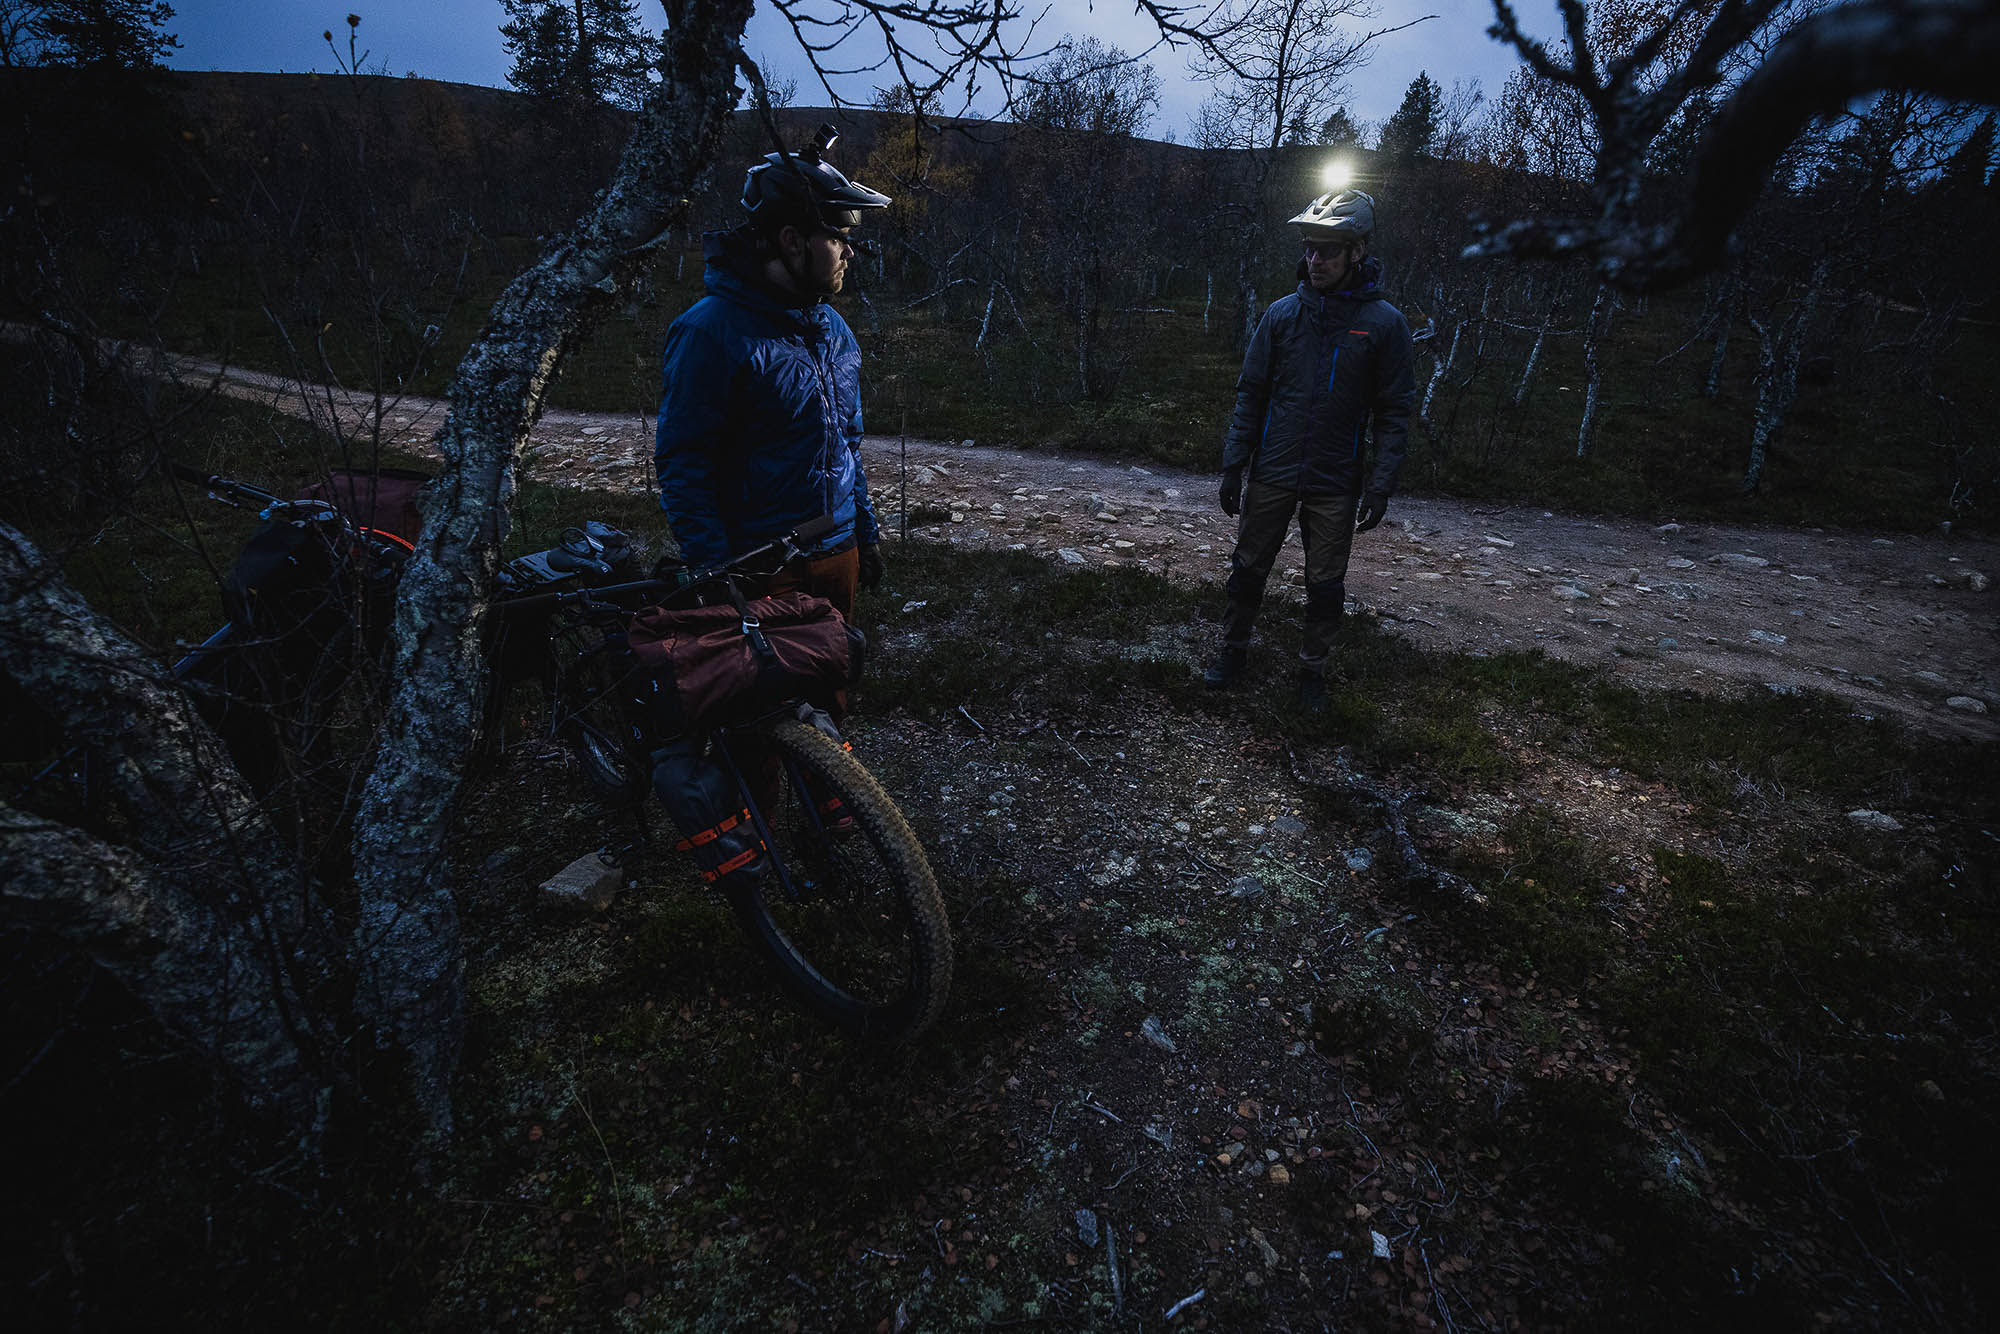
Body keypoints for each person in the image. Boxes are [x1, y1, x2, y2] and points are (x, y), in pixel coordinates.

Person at [654, 125, 891, 621]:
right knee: (773, 676)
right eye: (838, 238)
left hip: (838, 551)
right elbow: (685, 464)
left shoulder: (834, 329)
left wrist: (864, 534)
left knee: (837, 670)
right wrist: (715, 572)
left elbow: (846, 444)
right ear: (791, 241)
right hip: (760, 566)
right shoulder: (710, 332)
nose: (850, 253)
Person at [1203, 188, 1415, 710]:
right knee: (1248, 569)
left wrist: (1381, 485)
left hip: (1335, 478)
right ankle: (1232, 651)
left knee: (1325, 584)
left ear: (1356, 252)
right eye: (1309, 248)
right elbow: (1251, 392)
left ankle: (1312, 674)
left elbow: (1393, 411)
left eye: (1328, 250)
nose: (1315, 260)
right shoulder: (1282, 315)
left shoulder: (1385, 324)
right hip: (1273, 468)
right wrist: (1233, 464)